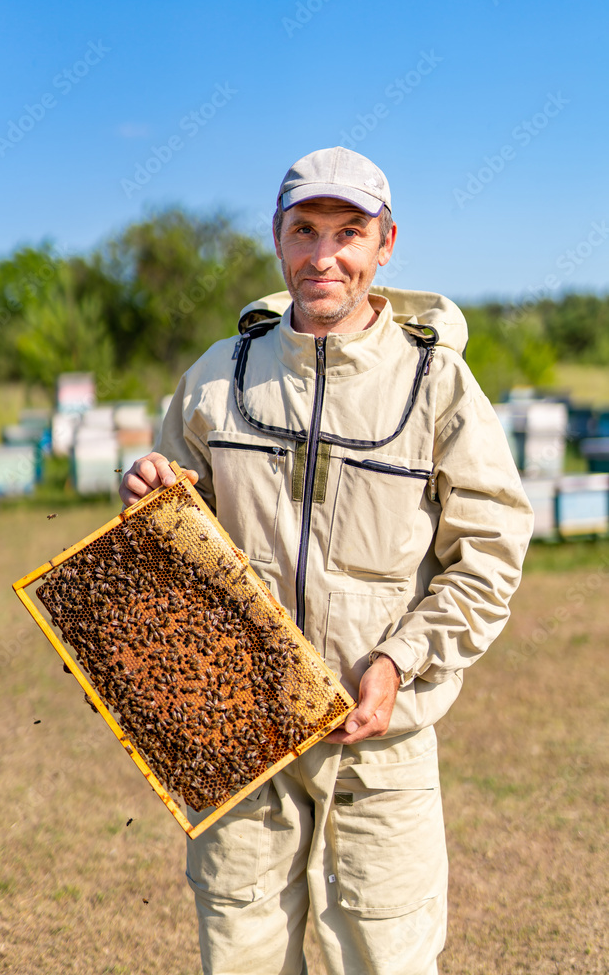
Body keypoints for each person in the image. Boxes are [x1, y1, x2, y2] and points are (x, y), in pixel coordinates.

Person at [119, 146, 534, 975]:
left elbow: (488, 556)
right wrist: (148, 496)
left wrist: (396, 660)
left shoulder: (438, 384)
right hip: (237, 736)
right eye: (305, 230)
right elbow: (169, 549)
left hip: (377, 744)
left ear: (384, 244)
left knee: (386, 958)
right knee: (240, 957)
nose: (324, 255)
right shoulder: (215, 378)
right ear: (277, 239)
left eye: (348, 233)